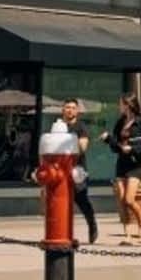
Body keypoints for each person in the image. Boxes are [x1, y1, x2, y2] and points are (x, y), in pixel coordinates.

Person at [107, 94, 141, 241]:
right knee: (122, 201)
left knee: (129, 199)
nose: (119, 106)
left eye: (121, 104)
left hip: (135, 164)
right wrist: (109, 139)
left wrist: (133, 149)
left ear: (128, 105)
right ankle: (127, 234)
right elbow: (116, 145)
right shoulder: (120, 122)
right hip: (122, 163)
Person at [58, 98, 97, 245]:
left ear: (77, 111)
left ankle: (92, 223)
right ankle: (65, 233)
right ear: (63, 110)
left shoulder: (81, 127)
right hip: (61, 170)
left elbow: (83, 147)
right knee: (63, 202)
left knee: (81, 199)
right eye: (67, 107)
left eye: (73, 108)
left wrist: (70, 143)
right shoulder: (58, 126)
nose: (70, 110)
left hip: (77, 169)